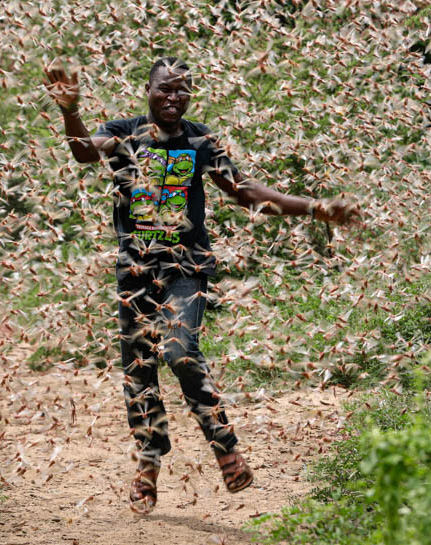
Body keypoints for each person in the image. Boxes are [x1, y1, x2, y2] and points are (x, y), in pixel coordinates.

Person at [43, 56, 359, 514]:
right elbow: (84, 151)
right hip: (135, 270)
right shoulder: (124, 131)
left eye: (182, 90)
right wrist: (70, 110)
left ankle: (225, 447)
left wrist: (313, 207)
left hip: (186, 267)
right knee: (139, 369)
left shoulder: (200, 140)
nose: (173, 98)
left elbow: (245, 193)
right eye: (164, 89)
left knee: (179, 350)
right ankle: (148, 466)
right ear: (147, 91)